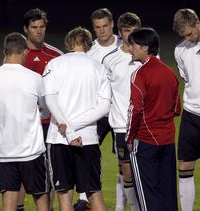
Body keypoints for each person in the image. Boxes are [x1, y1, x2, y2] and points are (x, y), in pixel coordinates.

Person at [43, 26, 109, 211]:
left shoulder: (54, 64)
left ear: (69, 43)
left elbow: (50, 99)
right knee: (94, 194)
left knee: (64, 196)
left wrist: (69, 129)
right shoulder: (99, 67)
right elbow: (104, 106)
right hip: (88, 139)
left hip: (60, 138)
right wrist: (76, 127)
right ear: (88, 45)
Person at [0, 32, 50, 211]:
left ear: (5, 51)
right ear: (25, 51)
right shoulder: (35, 78)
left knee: (9, 199)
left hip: (5, 152)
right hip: (32, 151)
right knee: (41, 199)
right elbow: (45, 111)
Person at [125, 27, 180, 211]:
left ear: (144, 47)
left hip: (145, 142)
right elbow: (176, 108)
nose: (130, 49)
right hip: (168, 142)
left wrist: (129, 137)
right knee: (168, 193)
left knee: (148, 196)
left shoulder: (139, 74)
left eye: (132, 45)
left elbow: (136, 110)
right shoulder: (170, 73)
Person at [75, 8, 122, 210]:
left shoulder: (126, 45)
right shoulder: (89, 50)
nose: (102, 31)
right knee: (87, 153)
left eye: (105, 26)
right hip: (98, 112)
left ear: (112, 25)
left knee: (124, 161)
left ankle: (123, 205)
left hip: (121, 111)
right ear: (93, 29)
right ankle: (85, 199)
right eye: (97, 28)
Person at [21, 8, 63, 210]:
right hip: (25, 125)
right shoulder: (16, 56)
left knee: (50, 172)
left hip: (49, 125)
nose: (38, 31)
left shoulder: (56, 56)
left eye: (41, 27)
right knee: (22, 169)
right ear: (25, 29)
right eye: (34, 27)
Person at [102, 12, 141, 211]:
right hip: (120, 125)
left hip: (144, 124)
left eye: (135, 31)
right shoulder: (110, 60)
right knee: (126, 170)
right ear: (120, 32)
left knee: (143, 170)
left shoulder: (149, 55)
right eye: (127, 31)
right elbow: (104, 91)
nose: (131, 35)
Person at [173, 8, 200, 211]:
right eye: (184, 36)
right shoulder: (180, 50)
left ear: (197, 23)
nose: (188, 38)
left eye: (190, 33)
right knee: (185, 166)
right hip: (191, 115)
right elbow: (187, 79)